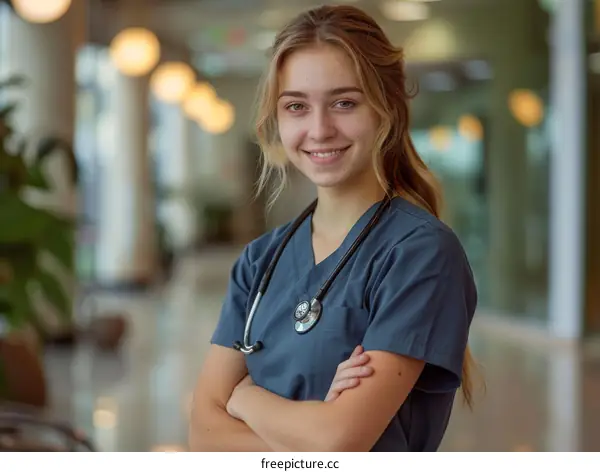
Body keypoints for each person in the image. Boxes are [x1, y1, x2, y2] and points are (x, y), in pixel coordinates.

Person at [189, 4, 478, 452]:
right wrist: (309, 427)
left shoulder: (419, 254)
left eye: (344, 103)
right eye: (296, 106)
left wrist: (244, 398)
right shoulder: (259, 261)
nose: (319, 129)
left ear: (388, 109)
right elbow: (204, 435)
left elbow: (336, 444)